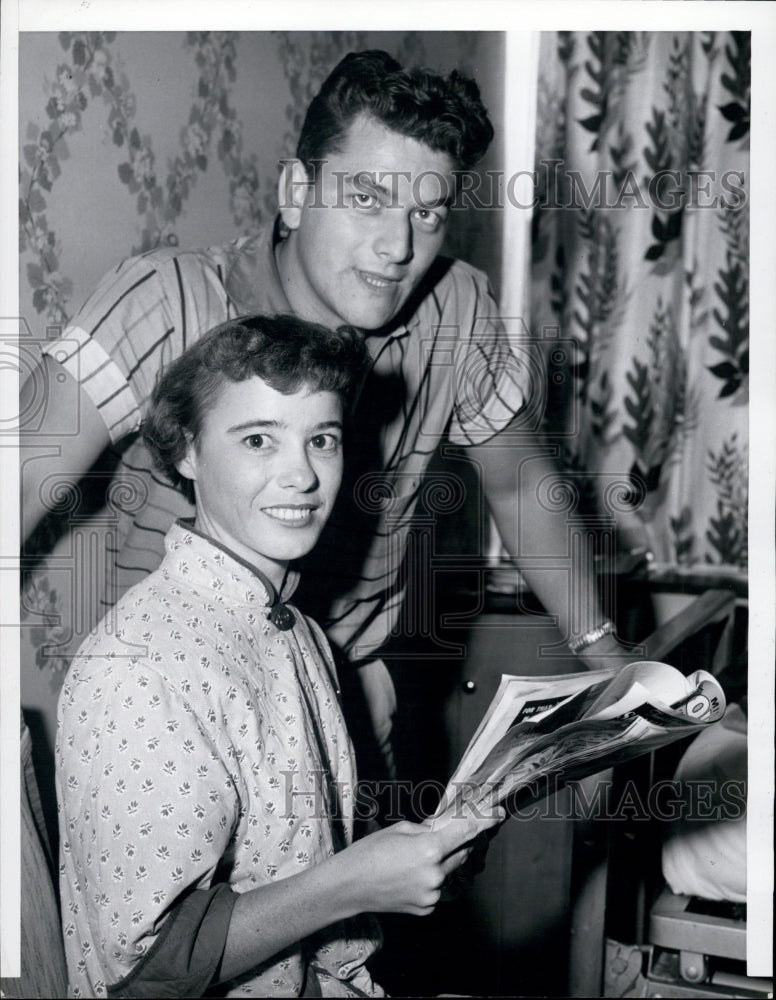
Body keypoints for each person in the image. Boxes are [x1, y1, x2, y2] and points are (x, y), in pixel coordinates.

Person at [23, 49, 630, 780]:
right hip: (171, 716)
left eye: (426, 214)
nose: (398, 246)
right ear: (295, 189)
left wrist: (609, 660)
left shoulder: (456, 309)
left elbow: (519, 482)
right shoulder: (170, 300)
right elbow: (19, 478)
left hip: (342, 696)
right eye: (368, 199)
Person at [55, 314, 502, 999]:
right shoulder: (142, 667)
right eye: (259, 439)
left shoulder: (288, 625)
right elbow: (147, 974)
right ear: (187, 454)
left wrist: (419, 850)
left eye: (320, 439)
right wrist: (353, 884)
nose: (302, 475)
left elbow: (287, 853)